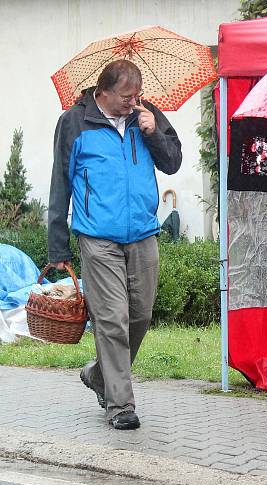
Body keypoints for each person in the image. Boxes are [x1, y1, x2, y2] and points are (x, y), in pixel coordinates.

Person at [48, 59, 182, 430]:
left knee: (140, 315)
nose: (133, 102)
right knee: (112, 320)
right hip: (97, 236)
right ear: (101, 92)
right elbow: (60, 182)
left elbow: (172, 163)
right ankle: (120, 405)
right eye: (126, 96)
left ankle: (98, 375)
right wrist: (57, 246)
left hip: (142, 232)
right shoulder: (74, 122)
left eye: (137, 95)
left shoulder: (146, 115)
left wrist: (154, 132)